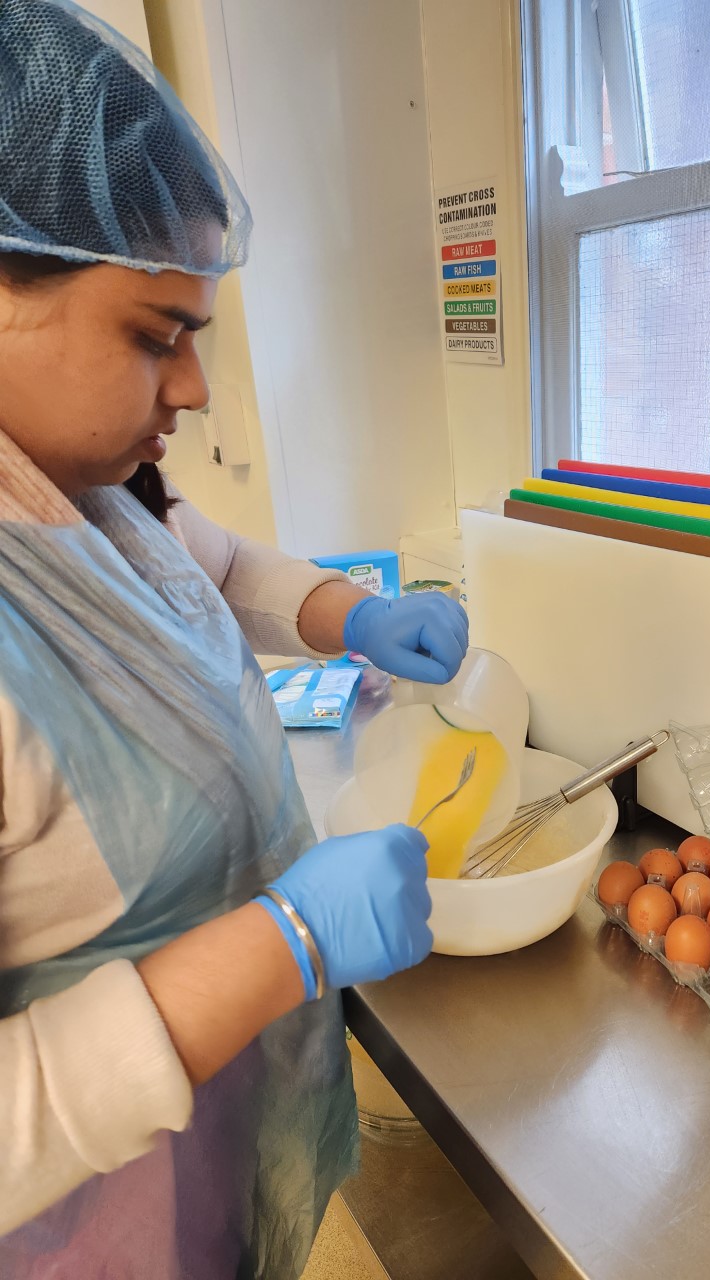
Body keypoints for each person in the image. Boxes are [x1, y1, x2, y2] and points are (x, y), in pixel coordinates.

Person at [0, 3, 469, 1276]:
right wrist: (283, 944)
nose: (196, 389)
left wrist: (356, 613)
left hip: (229, 1137)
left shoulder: (91, 493)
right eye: (155, 335)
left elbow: (222, 566)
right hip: (97, 1225)